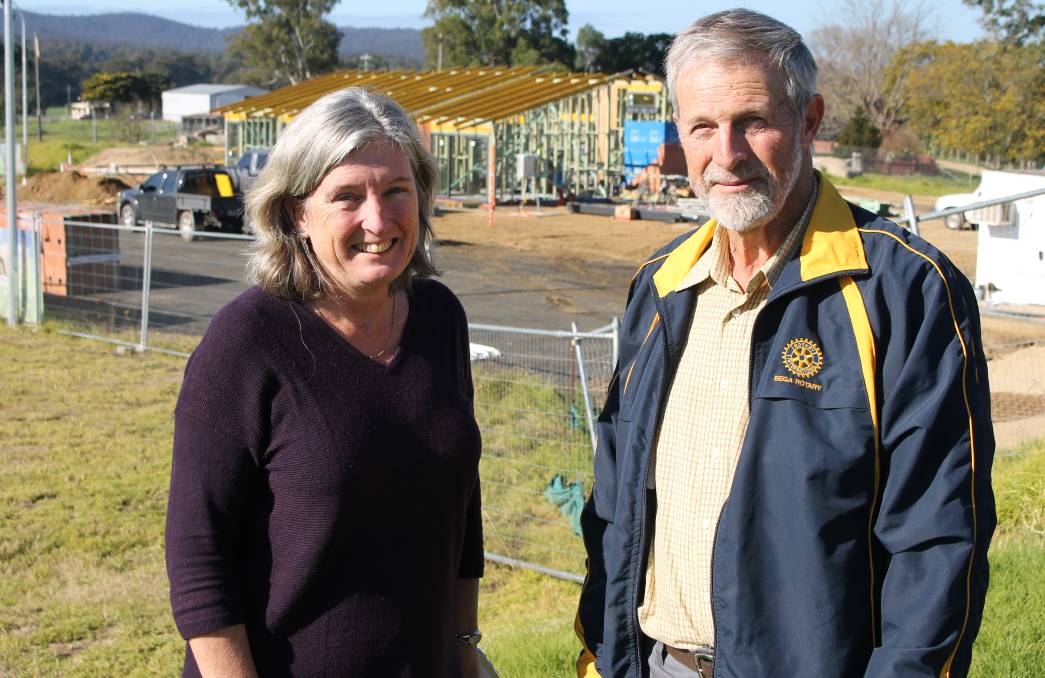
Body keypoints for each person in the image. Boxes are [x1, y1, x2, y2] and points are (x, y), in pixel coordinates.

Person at [575, 9, 995, 678]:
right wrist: (602, 652)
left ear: (810, 120)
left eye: (754, 121)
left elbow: (936, 540)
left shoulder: (904, 289)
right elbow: (612, 504)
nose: (727, 153)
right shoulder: (657, 287)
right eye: (703, 127)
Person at [165, 88, 484, 678]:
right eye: (346, 196)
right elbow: (198, 559)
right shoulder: (246, 341)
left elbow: (463, 504)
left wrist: (464, 647)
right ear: (295, 214)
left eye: (396, 190)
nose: (378, 219)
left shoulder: (441, 317)